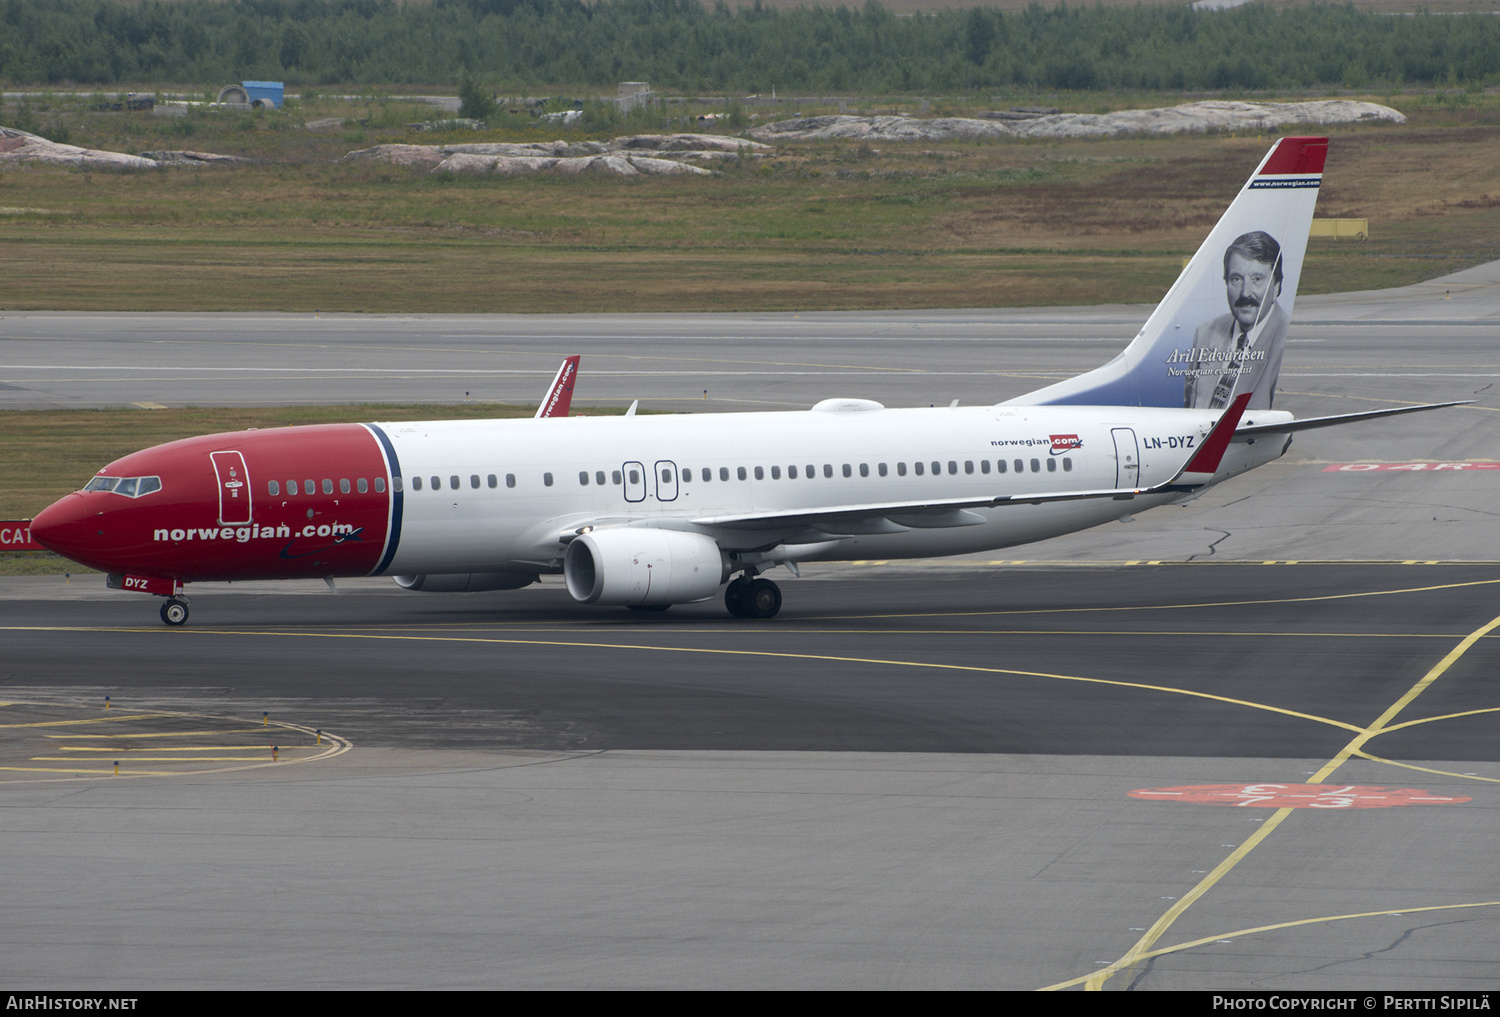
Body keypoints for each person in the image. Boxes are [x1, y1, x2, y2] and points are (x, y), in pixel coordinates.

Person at [1183, 231, 1288, 410]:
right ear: (1226, 283)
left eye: (1257, 279)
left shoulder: (1286, 337)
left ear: (1276, 287)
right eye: (1236, 279)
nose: (1246, 293)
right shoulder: (1205, 333)